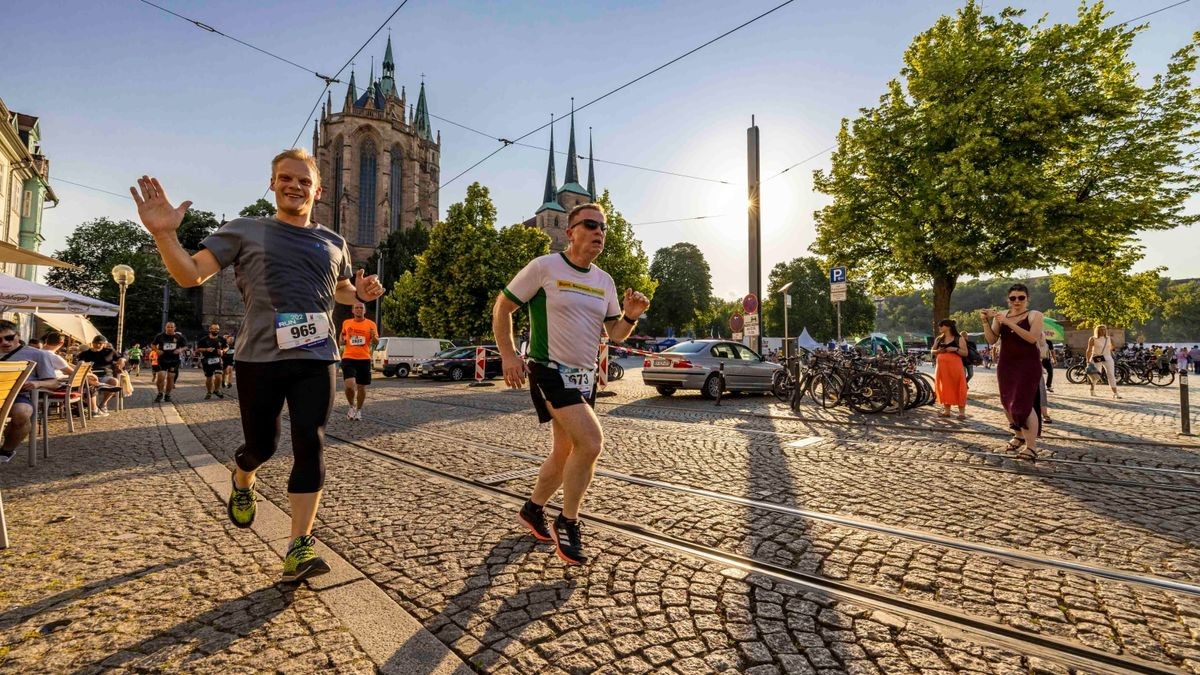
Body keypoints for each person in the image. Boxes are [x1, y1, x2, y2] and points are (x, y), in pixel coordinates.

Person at [131, 147, 385, 582]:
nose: (295, 186)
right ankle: (243, 475)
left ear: (318, 190)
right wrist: (163, 235)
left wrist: (359, 293)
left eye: (304, 181)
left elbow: (340, 290)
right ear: (273, 184)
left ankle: (298, 547)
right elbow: (190, 275)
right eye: (286, 178)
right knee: (262, 447)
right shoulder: (245, 230)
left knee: (311, 442)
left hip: (317, 355)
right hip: (259, 356)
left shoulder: (334, 242)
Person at [493, 202, 650, 565]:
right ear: (571, 232)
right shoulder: (544, 267)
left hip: (584, 377)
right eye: (591, 225)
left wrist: (630, 316)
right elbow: (503, 307)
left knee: (565, 452)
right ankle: (569, 521)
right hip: (549, 369)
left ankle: (533, 509)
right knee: (592, 442)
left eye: (604, 227)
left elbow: (616, 334)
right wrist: (509, 354)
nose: (599, 232)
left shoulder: (604, 281)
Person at [980, 284, 1044, 461]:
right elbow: (992, 339)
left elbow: (1032, 338)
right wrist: (986, 321)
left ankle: (1031, 447)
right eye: (1013, 298)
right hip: (1006, 364)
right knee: (1007, 401)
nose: (1017, 301)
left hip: (1027, 364)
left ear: (1027, 298)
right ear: (1008, 299)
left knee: (1023, 404)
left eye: (1021, 297)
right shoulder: (1002, 316)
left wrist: (1008, 323)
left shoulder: (1034, 315)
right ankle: (1019, 435)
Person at [0, 320, 66, 463]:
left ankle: (5, 451)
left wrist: (37, 383)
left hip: (18, 396)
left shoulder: (37, 354)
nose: (4, 342)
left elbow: (54, 383)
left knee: (22, 413)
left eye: (9, 337)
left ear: (17, 335)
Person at [339, 301, 378, 420]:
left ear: (364, 310)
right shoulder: (346, 323)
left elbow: (376, 342)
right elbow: (342, 337)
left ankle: (359, 410)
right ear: (353, 310)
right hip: (348, 357)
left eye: (361, 308)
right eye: (356, 308)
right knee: (349, 385)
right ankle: (351, 406)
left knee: (361, 387)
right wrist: (341, 340)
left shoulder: (371, 324)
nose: (359, 310)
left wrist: (373, 336)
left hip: (364, 358)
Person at [932, 319, 968, 420]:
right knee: (945, 387)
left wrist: (955, 349)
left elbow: (965, 353)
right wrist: (939, 351)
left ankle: (962, 413)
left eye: (941, 325)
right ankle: (947, 411)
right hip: (942, 367)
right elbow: (932, 350)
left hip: (955, 366)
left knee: (958, 386)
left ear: (948, 326)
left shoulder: (958, 338)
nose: (939, 327)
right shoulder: (939, 339)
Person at [76, 335, 120, 416]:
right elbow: (79, 363)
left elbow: (122, 357)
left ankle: (103, 404)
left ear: (104, 344)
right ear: (92, 343)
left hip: (105, 375)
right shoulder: (85, 353)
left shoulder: (109, 351)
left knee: (114, 382)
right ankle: (94, 408)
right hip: (91, 375)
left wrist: (122, 360)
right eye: (95, 343)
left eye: (100, 343)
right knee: (90, 384)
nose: (98, 345)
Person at [151, 322, 187, 403]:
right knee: (161, 376)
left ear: (175, 328)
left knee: (170, 378)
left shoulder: (179, 337)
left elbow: (186, 346)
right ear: (165, 328)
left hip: (174, 360)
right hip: (162, 360)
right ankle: (160, 393)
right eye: (168, 327)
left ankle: (167, 395)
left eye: (171, 327)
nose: (170, 328)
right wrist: (157, 350)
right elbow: (153, 345)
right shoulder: (160, 336)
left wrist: (180, 350)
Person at [1085, 325, 1121, 399]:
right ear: (1097, 330)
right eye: (1101, 330)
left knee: (1111, 374)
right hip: (1096, 357)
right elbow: (1088, 350)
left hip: (1107, 357)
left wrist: (1108, 351)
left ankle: (1115, 393)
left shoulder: (1109, 338)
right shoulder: (1093, 339)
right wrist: (1088, 361)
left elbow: (1113, 347)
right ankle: (1092, 389)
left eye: (1104, 330)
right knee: (1096, 375)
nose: (1103, 331)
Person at [197, 323, 228, 400]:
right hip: (207, 360)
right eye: (214, 329)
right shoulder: (204, 339)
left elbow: (227, 347)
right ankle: (209, 392)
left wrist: (222, 351)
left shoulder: (222, 339)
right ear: (210, 329)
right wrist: (206, 349)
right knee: (209, 378)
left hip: (218, 360)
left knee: (218, 376)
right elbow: (198, 349)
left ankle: (216, 390)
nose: (215, 330)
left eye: (217, 329)